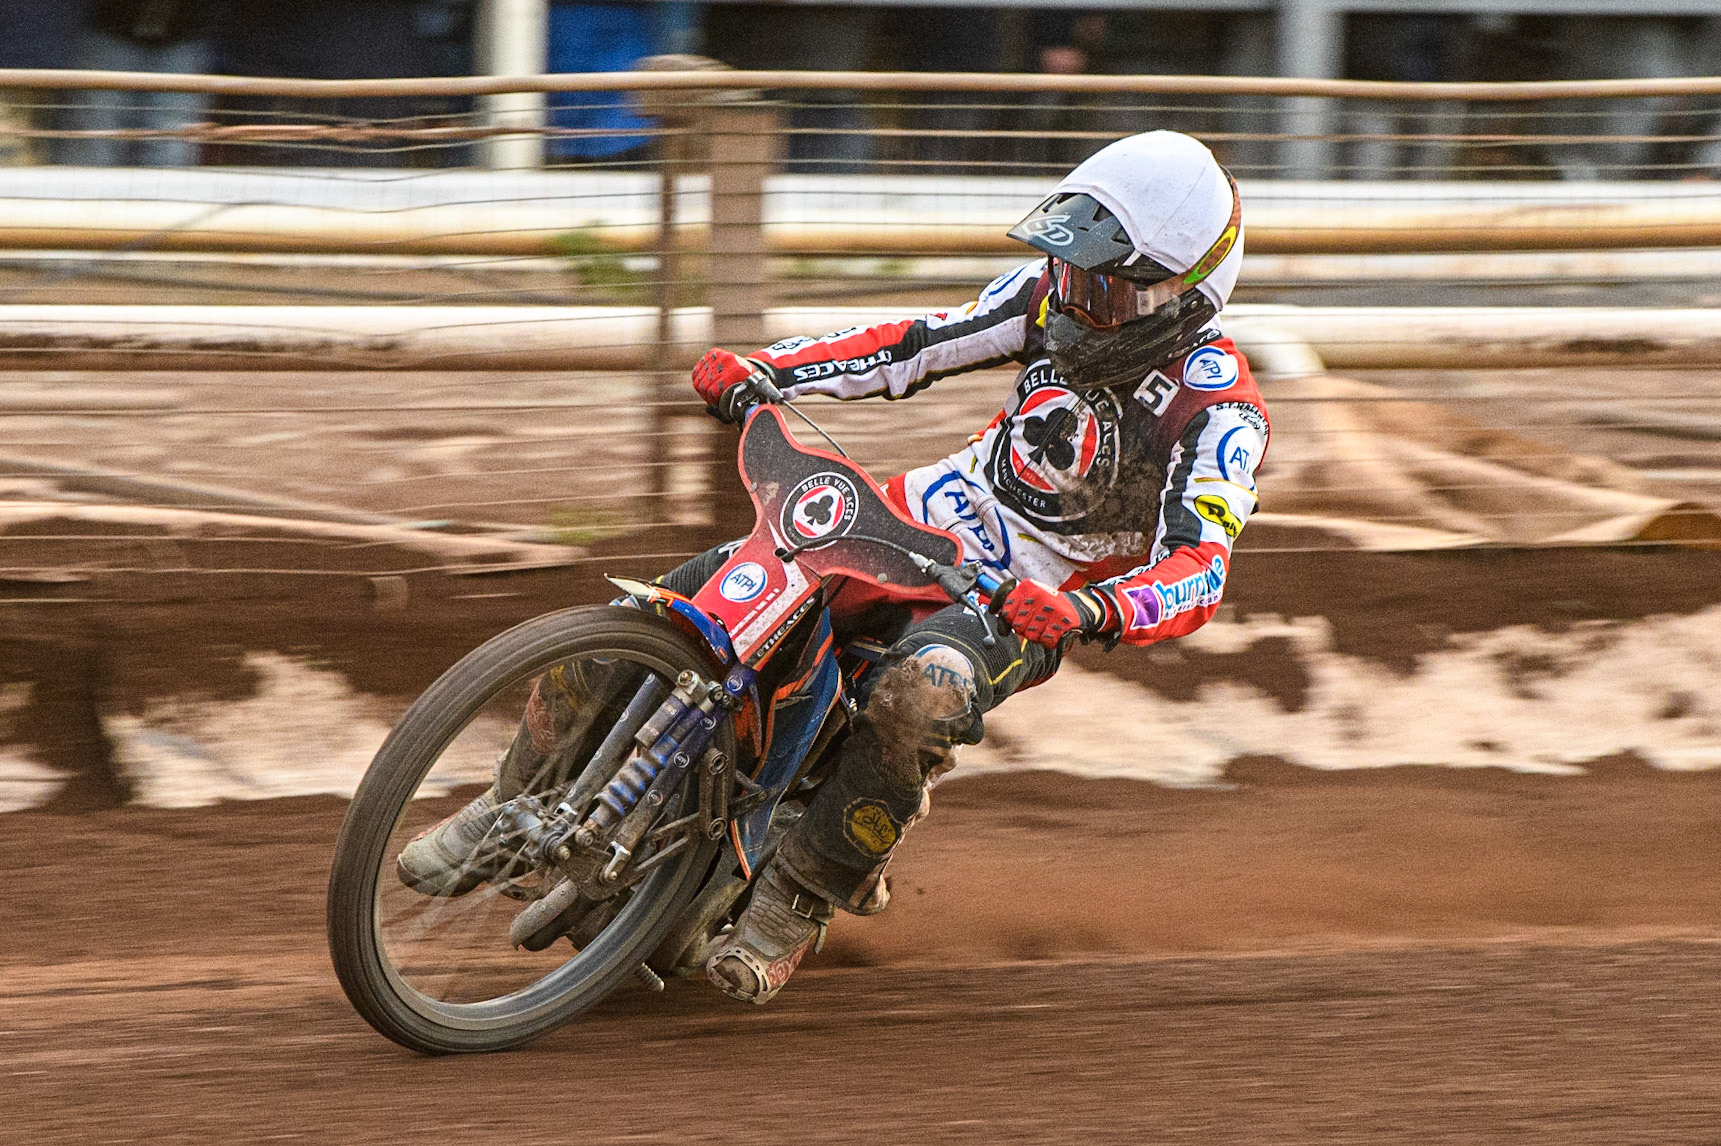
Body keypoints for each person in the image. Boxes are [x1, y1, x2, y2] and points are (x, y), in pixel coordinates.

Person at [400, 130, 1270, 1006]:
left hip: (1019, 600)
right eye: (1070, 273)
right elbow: (912, 344)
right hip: (903, 522)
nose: (1075, 301)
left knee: (921, 691)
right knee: (672, 607)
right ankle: (509, 806)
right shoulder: (1047, 302)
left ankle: (792, 902)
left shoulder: (1218, 408)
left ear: (1183, 294)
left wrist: (1092, 613)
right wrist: (767, 367)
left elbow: (1200, 566)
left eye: (1104, 289)